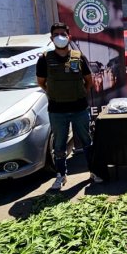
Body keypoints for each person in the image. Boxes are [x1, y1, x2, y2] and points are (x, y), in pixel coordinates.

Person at [36, 22, 103, 190]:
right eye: (56, 34)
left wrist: (80, 94)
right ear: (51, 38)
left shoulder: (78, 56)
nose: (60, 37)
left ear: (69, 37)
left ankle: (93, 171)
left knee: (87, 141)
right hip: (57, 110)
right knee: (59, 145)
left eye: (63, 34)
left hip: (79, 108)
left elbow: (89, 80)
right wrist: (54, 94)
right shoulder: (44, 59)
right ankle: (61, 175)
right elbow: (41, 83)